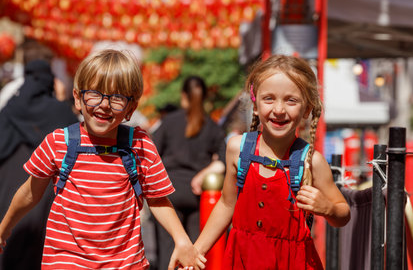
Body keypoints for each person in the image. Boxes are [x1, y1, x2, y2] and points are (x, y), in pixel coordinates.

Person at [0, 49, 204, 270]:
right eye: (95, 93)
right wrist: (4, 227)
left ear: (130, 109)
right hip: (67, 262)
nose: (104, 104)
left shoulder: (139, 145)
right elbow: (30, 192)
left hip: (125, 264)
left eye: (117, 97)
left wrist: (182, 239)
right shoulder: (59, 142)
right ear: (78, 98)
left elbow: (157, 199)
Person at [193, 55, 351, 269]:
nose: (279, 109)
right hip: (243, 261)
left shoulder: (312, 161)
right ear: (255, 104)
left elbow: (343, 213)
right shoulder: (236, 148)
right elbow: (227, 204)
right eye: (269, 98)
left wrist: (328, 208)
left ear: (307, 109)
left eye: (291, 100)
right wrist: (197, 250)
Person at [0, 58, 79, 270]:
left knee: (10, 244)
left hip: (8, 190)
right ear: (50, 81)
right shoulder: (60, 112)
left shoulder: (10, 109)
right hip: (44, 189)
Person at [152, 76, 226, 270]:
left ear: (184, 96)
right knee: (195, 254)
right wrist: (204, 173)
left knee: (167, 252)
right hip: (197, 196)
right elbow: (226, 159)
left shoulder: (169, 121)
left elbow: (151, 154)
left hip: (169, 194)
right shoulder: (212, 126)